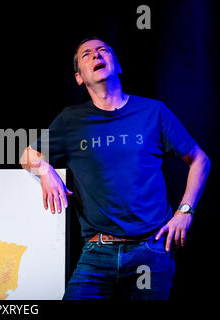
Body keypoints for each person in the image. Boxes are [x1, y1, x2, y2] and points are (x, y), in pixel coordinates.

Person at [20, 37, 211, 300]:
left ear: (117, 64)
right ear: (79, 77)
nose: (96, 55)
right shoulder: (70, 121)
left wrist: (185, 211)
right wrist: (45, 171)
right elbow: (27, 155)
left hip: (151, 249)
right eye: (87, 54)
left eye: (103, 51)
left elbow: (199, 159)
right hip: (97, 253)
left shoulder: (153, 111)